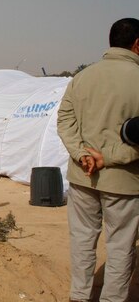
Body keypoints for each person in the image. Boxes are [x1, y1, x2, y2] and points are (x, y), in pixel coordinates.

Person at [57, 18, 139, 302]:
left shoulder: (82, 77)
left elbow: (65, 121)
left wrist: (81, 154)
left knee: (82, 240)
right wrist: (112, 157)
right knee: (120, 246)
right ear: (137, 43)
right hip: (124, 182)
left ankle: (78, 296)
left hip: (82, 177)